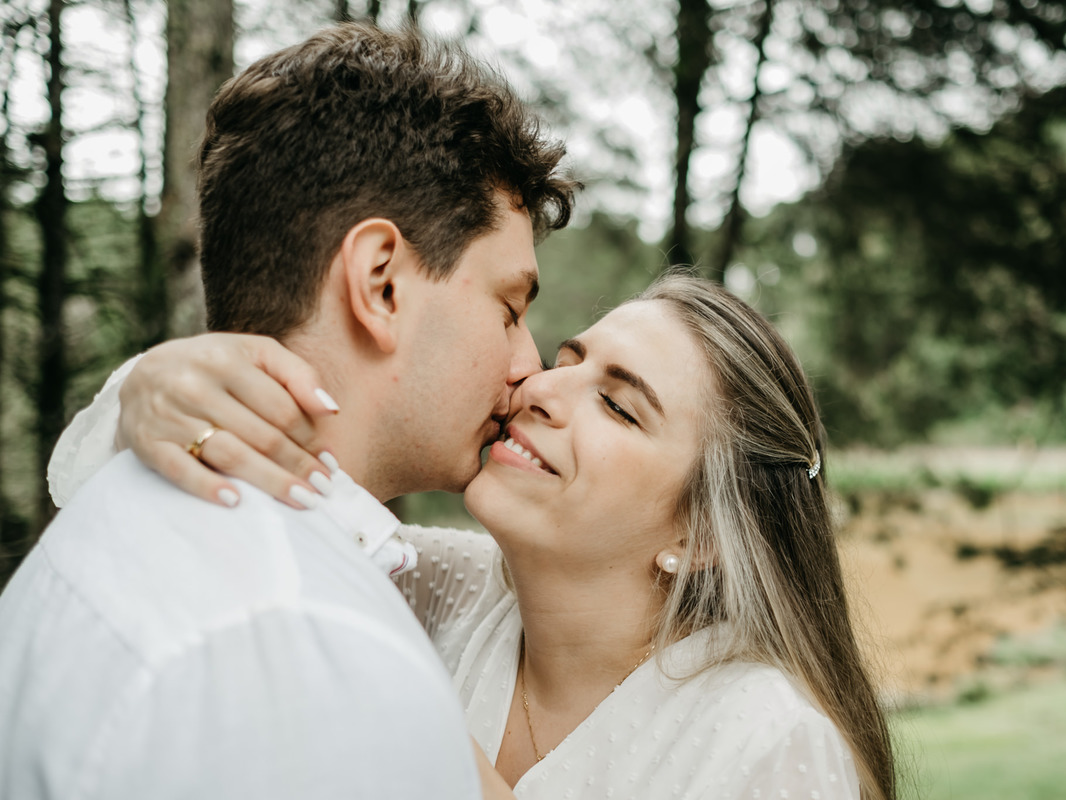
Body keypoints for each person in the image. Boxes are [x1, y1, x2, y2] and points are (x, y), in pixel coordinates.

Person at [0, 23, 576, 799]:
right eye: (510, 308)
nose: (529, 367)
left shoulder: (129, 493)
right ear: (380, 283)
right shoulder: (305, 644)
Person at [48, 275, 897, 800]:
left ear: (705, 531)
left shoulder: (765, 741)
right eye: (570, 358)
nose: (541, 386)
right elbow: (183, 487)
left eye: (617, 402)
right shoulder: (440, 589)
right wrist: (152, 383)